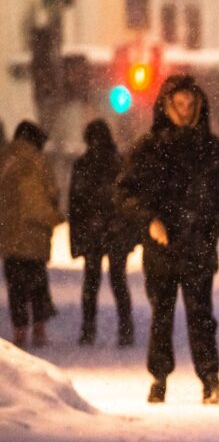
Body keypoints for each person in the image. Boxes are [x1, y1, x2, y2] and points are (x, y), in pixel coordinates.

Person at [116, 75, 219, 404]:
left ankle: (209, 379)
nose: (184, 111)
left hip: (198, 245)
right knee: (161, 315)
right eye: (178, 104)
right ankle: (159, 377)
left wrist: (210, 231)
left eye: (189, 105)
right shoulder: (149, 148)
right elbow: (125, 191)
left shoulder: (210, 149)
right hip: (162, 248)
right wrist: (150, 221)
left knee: (201, 315)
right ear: (166, 106)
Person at [69, 119, 137, 347]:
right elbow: (129, 200)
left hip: (93, 232)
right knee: (118, 281)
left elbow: (75, 204)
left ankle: (88, 330)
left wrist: (77, 238)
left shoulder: (83, 164)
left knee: (91, 283)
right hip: (115, 231)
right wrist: (129, 231)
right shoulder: (119, 162)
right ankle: (125, 330)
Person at [0, 121, 65, 348]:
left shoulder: (4, 158)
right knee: (37, 284)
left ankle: (20, 330)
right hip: (33, 235)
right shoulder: (37, 162)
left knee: (16, 286)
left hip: (8, 236)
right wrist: (55, 217)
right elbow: (39, 200)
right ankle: (38, 330)